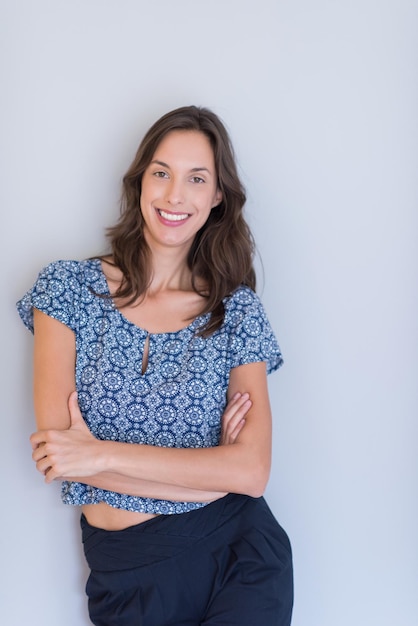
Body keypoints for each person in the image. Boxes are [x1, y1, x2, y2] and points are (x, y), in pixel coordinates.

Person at [17, 105, 293, 625]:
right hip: (126, 572)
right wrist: (214, 474)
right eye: (162, 172)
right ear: (140, 180)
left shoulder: (236, 310)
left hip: (242, 556)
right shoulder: (67, 290)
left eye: (197, 179)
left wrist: (98, 457)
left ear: (216, 197)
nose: (174, 194)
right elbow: (60, 460)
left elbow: (253, 474)